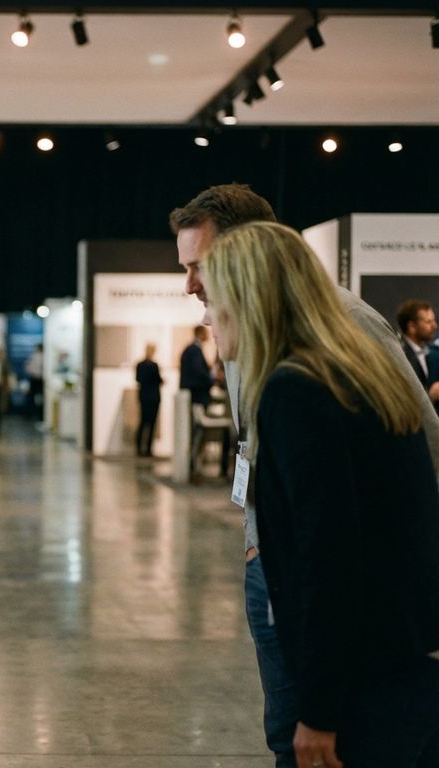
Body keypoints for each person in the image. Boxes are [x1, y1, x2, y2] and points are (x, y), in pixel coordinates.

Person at [169, 183, 439, 768]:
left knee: (315, 741)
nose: (191, 287)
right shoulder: (272, 342)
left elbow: (337, 542)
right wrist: (258, 543)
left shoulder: (322, 352)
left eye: (200, 268)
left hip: (352, 607)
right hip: (305, 579)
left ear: (249, 260)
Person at [396, 299, 439, 414]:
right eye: (428, 322)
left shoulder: (433, 353)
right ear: (412, 327)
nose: (434, 326)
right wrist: (430, 396)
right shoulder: (399, 356)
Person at [135, 342, 162, 457]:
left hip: (144, 396)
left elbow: (138, 379)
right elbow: (158, 380)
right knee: (150, 423)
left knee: (143, 422)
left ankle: (139, 448)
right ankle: (148, 449)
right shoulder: (153, 366)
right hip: (153, 397)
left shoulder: (140, 365)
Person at [179, 325, 214, 406]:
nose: (208, 336)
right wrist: (211, 378)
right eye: (206, 333)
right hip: (197, 392)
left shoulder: (192, 349)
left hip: (194, 390)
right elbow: (198, 370)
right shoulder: (194, 350)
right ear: (200, 334)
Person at [24, 343, 45, 421]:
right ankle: (38, 415)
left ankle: (32, 414)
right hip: (39, 379)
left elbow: (28, 367)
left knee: (33, 397)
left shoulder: (35, 356)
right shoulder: (42, 356)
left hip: (35, 379)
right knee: (38, 397)